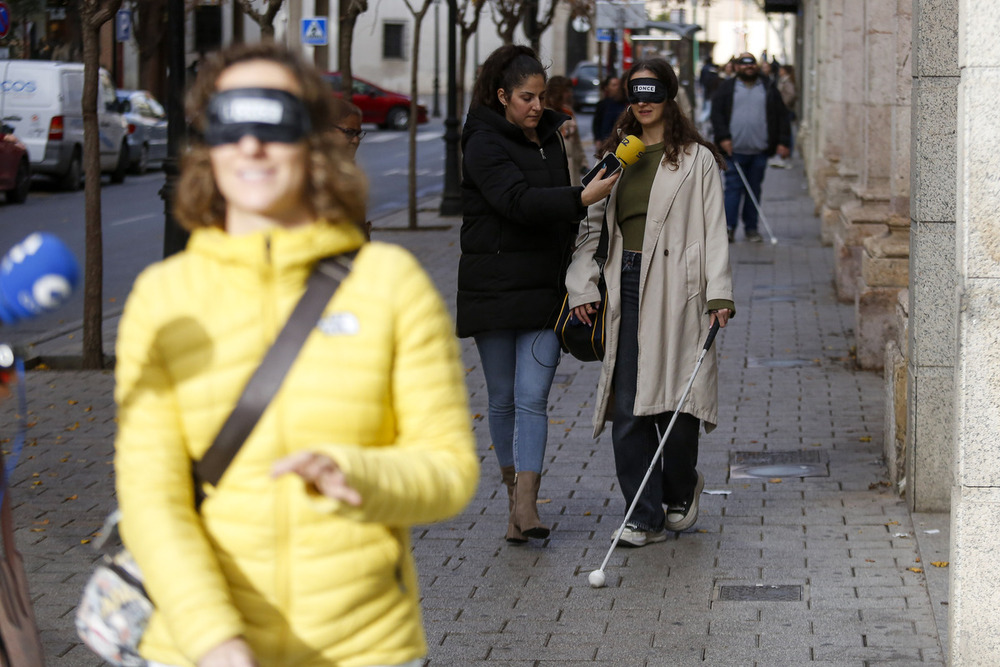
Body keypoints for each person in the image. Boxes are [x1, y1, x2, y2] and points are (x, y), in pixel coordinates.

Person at [114, 42, 479, 667]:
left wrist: (359, 475)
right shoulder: (163, 296)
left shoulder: (389, 283)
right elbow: (152, 498)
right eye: (231, 121)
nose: (252, 145)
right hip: (200, 650)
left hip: (366, 649)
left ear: (314, 140)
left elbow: (449, 471)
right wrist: (215, 643)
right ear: (209, 145)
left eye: (274, 121)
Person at [565, 58, 734, 547]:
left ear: (669, 97)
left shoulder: (696, 159)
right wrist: (584, 286)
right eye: (635, 93)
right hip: (624, 284)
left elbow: (713, 231)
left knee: (677, 408)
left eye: (652, 92)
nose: (642, 101)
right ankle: (642, 516)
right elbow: (590, 230)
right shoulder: (618, 156)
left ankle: (682, 487)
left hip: (679, 290)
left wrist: (718, 293)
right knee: (629, 406)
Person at [458, 45, 618, 544]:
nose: (535, 106)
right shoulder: (482, 142)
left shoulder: (551, 136)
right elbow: (515, 202)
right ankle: (512, 499)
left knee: (533, 399)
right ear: (502, 95)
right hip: (494, 290)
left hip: (545, 291)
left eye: (540, 96)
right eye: (526, 97)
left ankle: (527, 505)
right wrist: (580, 197)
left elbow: (557, 213)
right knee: (502, 399)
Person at [710, 52, 791, 243]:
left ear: (756, 66)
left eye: (751, 64)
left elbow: (781, 116)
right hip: (733, 150)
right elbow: (717, 115)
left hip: (759, 150)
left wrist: (783, 142)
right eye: (743, 64)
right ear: (737, 67)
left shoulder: (768, 88)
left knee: (753, 190)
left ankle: (751, 229)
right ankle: (729, 228)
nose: (748, 67)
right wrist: (723, 138)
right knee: (732, 189)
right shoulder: (726, 88)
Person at [545, 75, 585, 186]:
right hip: (556, 168)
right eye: (567, 91)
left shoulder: (568, 111)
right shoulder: (545, 113)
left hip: (573, 166)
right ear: (558, 92)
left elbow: (577, 142)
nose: (570, 94)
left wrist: (583, 163)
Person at [591, 75, 626, 150]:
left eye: (619, 85)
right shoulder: (602, 104)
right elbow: (597, 123)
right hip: (606, 141)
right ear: (607, 88)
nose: (617, 87)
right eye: (614, 85)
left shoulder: (624, 103)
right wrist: (598, 139)